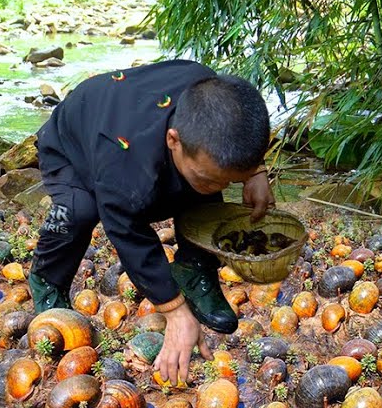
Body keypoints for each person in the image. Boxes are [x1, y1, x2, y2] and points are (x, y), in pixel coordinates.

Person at [29, 59, 275, 385]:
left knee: (199, 194)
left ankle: (193, 268)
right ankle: (46, 279)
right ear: (174, 139)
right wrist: (174, 311)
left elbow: (239, 139)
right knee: (79, 211)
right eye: (209, 177)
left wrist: (255, 173)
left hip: (135, 124)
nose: (218, 189)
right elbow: (129, 236)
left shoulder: (212, 94)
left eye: (226, 181)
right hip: (73, 141)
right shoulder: (124, 165)